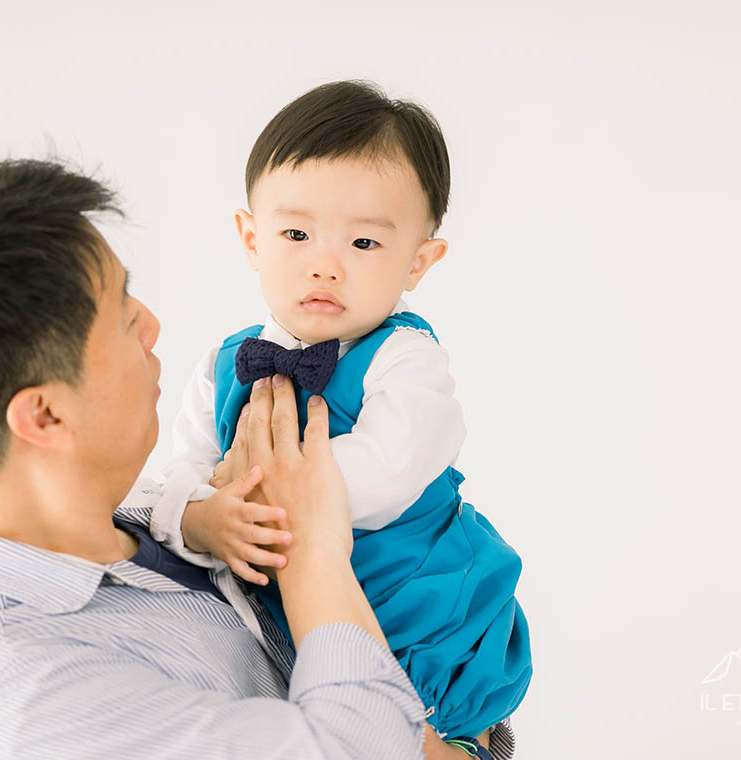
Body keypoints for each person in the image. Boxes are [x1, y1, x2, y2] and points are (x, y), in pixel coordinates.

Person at [0, 158, 515, 759]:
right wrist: (311, 546)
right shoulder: (30, 707)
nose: (152, 320)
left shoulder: (121, 517)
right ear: (44, 415)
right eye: (122, 314)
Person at [150, 80, 531, 752]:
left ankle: (456, 737)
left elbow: (387, 469)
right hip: (290, 638)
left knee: (403, 727)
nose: (324, 266)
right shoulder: (227, 363)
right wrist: (201, 516)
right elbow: (180, 472)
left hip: (417, 617)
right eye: (295, 233)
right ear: (251, 238)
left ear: (419, 261)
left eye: (363, 244)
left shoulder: (406, 360)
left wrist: (259, 492)